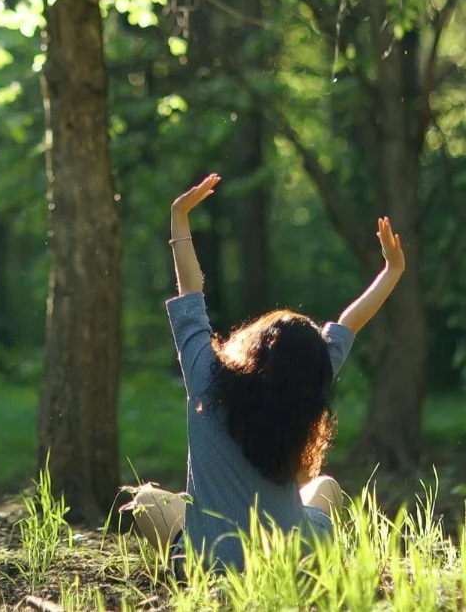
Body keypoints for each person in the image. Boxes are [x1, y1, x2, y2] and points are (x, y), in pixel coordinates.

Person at [124, 173, 406, 572]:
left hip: (209, 565)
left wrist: (179, 217)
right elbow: (349, 322)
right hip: (292, 560)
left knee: (146, 500)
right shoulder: (310, 383)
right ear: (311, 366)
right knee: (324, 487)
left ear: (253, 345)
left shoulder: (206, 377)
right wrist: (392, 271)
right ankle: (323, 565)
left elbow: (191, 292)